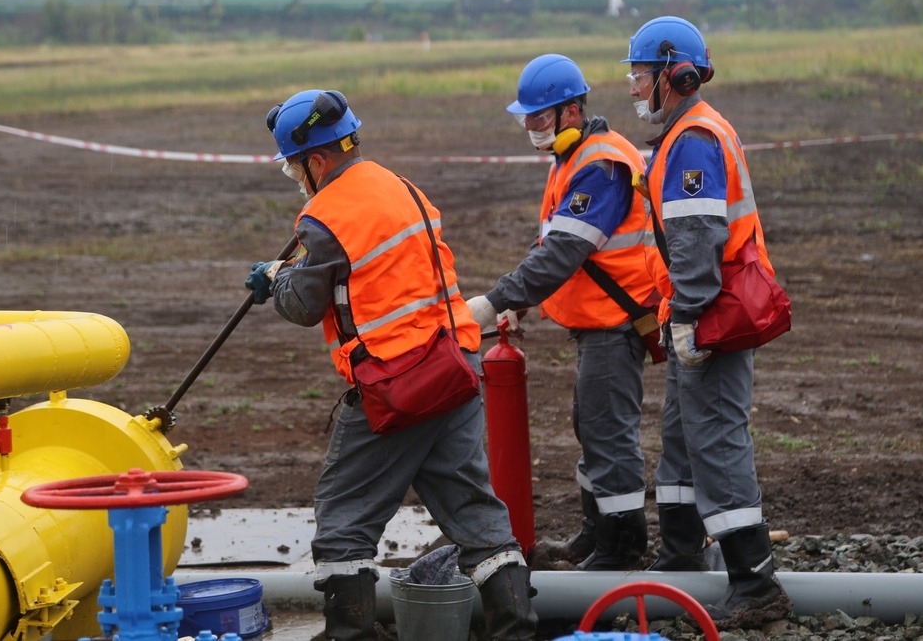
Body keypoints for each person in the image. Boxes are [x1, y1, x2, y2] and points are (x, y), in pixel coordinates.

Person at [246, 89, 538, 641]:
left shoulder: (325, 215)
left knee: (343, 519)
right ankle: (517, 629)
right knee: (475, 513)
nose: (296, 179)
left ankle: (349, 633)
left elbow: (306, 305)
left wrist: (275, 281)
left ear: (316, 161)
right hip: (454, 367)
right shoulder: (399, 185)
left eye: (293, 168)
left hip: (397, 385)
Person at [623, 16, 792, 629]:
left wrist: (688, 318)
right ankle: (680, 557)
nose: (636, 88)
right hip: (697, 314)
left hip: (712, 316)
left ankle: (755, 582)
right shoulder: (686, 134)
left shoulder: (693, 139)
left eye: (642, 76)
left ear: (676, 75)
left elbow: (696, 241)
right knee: (683, 440)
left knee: (716, 443)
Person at [465, 54, 663, 572]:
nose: (530, 128)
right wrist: (522, 304)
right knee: (590, 425)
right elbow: (553, 243)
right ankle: (596, 535)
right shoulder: (573, 161)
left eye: (539, 117)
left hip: (614, 324)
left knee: (606, 433)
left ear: (571, 111)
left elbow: (561, 255)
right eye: (526, 119)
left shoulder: (599, 166)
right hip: (598, 324)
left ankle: (621, 551)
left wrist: (495, 302)